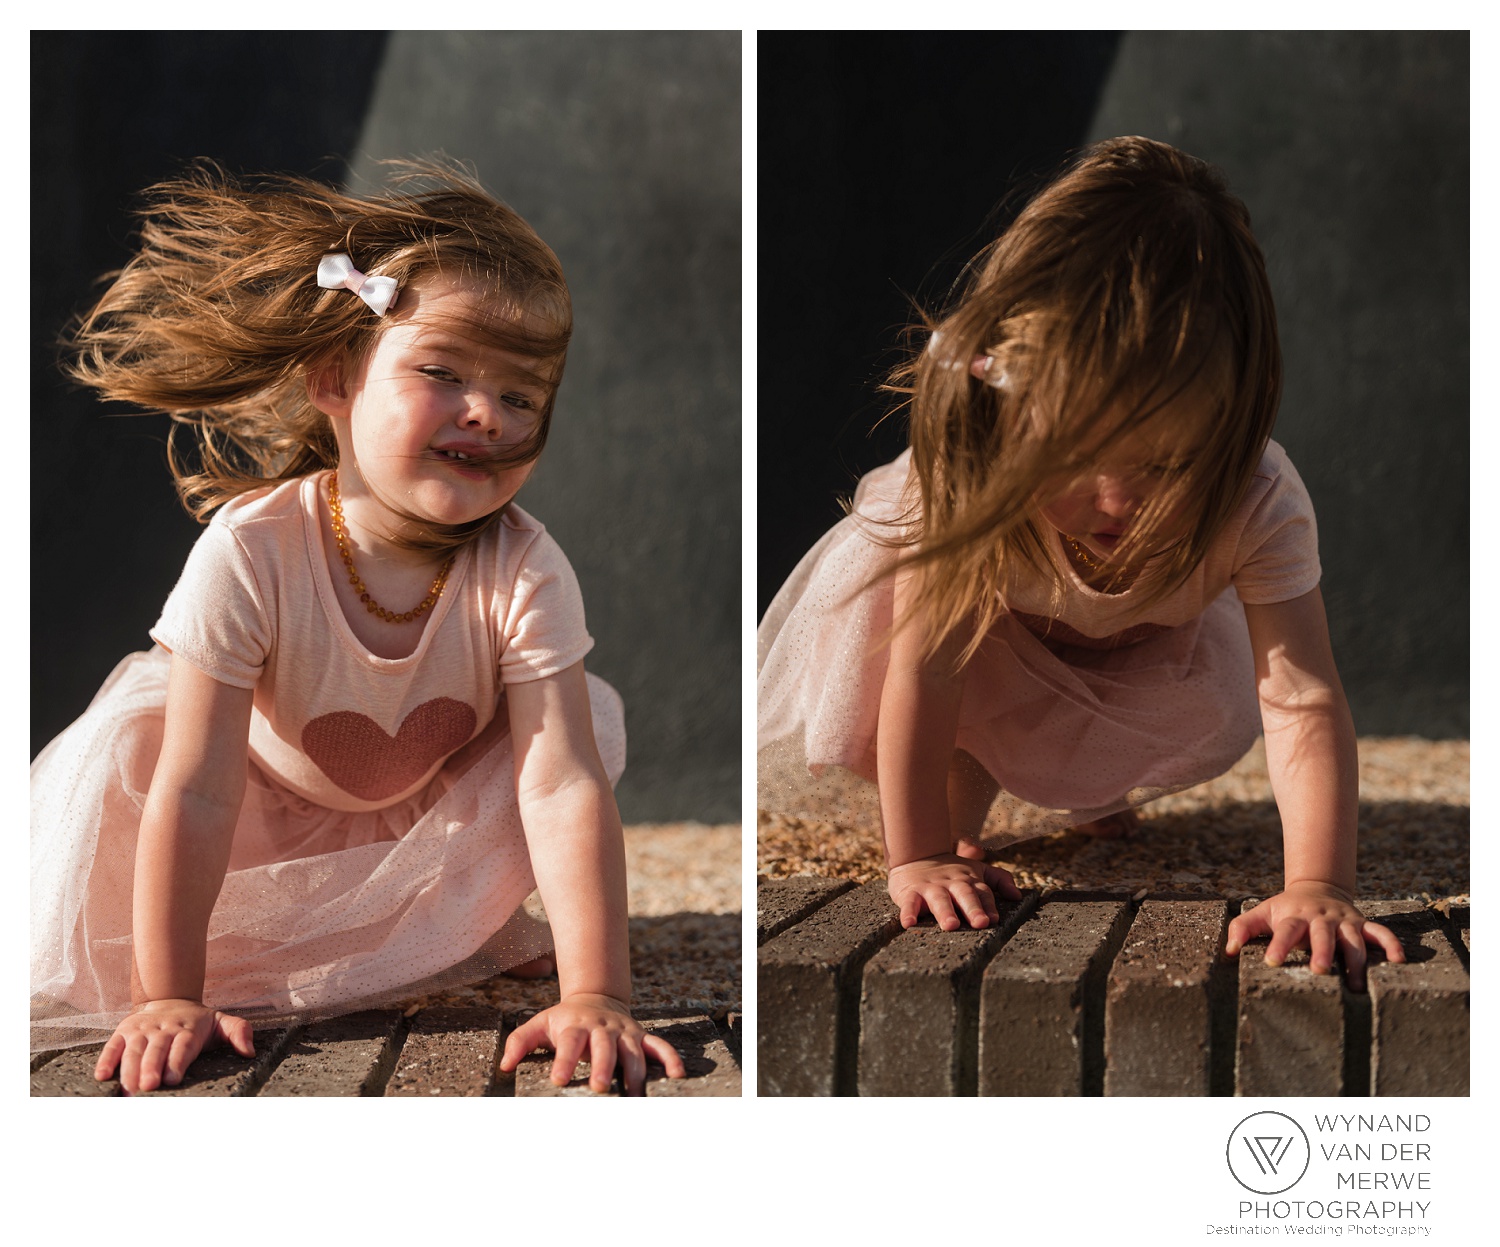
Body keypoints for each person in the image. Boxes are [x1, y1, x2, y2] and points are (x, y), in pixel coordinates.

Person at [31, 159, 685, 1094]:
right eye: (443, 371)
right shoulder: (253, 552)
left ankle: (440, 929)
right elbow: (199, 788)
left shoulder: (525, 564)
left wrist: (599, 993)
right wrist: (166, 992)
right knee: (136, 758)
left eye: (521, 395)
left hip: (411, 806)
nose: (484, 412)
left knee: (577, 732)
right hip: (249, 812)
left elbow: (559, 786)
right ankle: (295, 948)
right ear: (335, 377)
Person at [757, 136, 1404, 990]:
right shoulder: (970, 477)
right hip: (983, 645)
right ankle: (985, 784)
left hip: (1134, 643)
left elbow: (1302, 695)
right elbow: (928, 670)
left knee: (1161, 705)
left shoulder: (1256, 497)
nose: (1115, 501)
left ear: (1234, 429)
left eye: (1167, 466)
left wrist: (1318, 884)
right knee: (946, 802)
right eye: (1076, 457)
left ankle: (1092, 779)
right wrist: (915, 858)